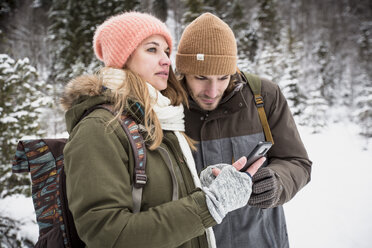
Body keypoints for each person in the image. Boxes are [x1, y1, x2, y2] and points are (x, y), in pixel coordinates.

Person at [60, 12, 264, 248]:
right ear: (122, 57)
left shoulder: (160, 118)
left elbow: (156, 200)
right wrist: (208, 205)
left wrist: (207, 188)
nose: (167, 60)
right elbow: (108, 234)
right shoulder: (99, 128)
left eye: (167, 51)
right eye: (152, 49)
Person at [176, 13, 312, 248]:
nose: (212, 90)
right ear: (183, 71)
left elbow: (297, 161)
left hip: (259, 240)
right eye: (201, 77)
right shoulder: (165, 105)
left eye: (222, 77)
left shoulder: (264, 96)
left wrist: (276, 182)